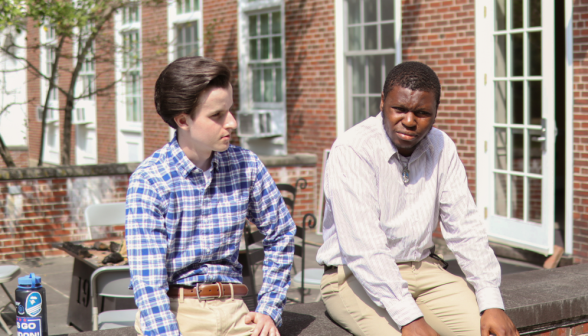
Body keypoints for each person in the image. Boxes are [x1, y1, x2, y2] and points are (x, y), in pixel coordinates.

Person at [316, 61, 519, 336]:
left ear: (435, 113)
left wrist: (491, 299)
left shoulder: (442, 146)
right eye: (399, 109)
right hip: (353, 276)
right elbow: (364, 248)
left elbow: (465, 228)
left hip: (424, 271)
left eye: (422, 113)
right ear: (382, 103)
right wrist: (409, 318)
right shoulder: (353, 149)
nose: (409, 121)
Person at [126, 56, 296, 336]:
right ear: (183, 120)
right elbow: (148, 282)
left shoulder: (246, 165)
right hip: (177, 312)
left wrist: (269, 308)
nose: (231, 122)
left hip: (237, 310)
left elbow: (282, 232)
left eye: (230, 110)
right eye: (217, 115)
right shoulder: (151, 180)